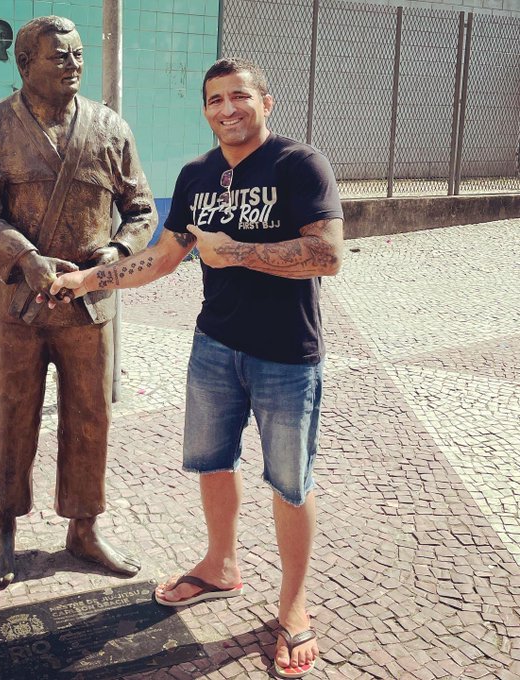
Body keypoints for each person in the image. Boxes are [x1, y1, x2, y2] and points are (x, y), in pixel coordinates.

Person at [43, 58, 344, 678]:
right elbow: (162, 257)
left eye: (239, 97)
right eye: (215, 100)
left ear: (266, 102)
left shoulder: (299, 165)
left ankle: (292, 606)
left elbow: (326, 255)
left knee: (290, 481)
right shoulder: (197, 176)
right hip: (214, 347)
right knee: (211, 462)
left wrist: (234, 252)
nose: (227, 109)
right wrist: (86, 280)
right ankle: (221, 566)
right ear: (205, 110)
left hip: (287, 354)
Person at [0, 16, 157, 588]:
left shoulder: (110, 129)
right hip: (19, 303)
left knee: (91, 416)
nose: (72, 64)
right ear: (25, 65)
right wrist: (24, 258)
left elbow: (141, 209)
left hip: (88, 307)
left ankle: (84, 527)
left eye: (77, 55)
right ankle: (3, 525)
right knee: (12, 412)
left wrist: (116, 251)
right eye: (58, 57)